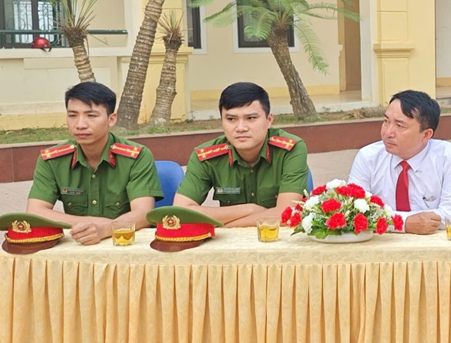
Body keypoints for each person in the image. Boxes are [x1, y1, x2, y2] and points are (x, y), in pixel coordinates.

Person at [25, 82, 163, 245]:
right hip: (79, 243)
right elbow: (35, 212)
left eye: (91, 116)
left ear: (111, 119)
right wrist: (92, 225)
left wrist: (105, 229)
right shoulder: (52, 160)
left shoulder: (137, 157)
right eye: (72, 115)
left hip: (124, 243)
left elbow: (143, 213)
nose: (80, 125)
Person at [173, 82, 309, 226]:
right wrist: (250, 209)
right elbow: (180, 212)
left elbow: (285, 214)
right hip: (230, 240)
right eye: (231, 119)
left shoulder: (290, 150)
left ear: (269, 120)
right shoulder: (205, 157)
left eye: (251, 118)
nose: (241, 128)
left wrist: (226, 226)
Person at [349, 90, 451, 235]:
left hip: (432, 242)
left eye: (400, 126)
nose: (387, 133)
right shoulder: (368, 157)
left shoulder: (448, 156)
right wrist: (405, 223)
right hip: (382, 242)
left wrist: (386, 220)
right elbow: (354, 213)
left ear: (426, 134)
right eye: (386, 121)